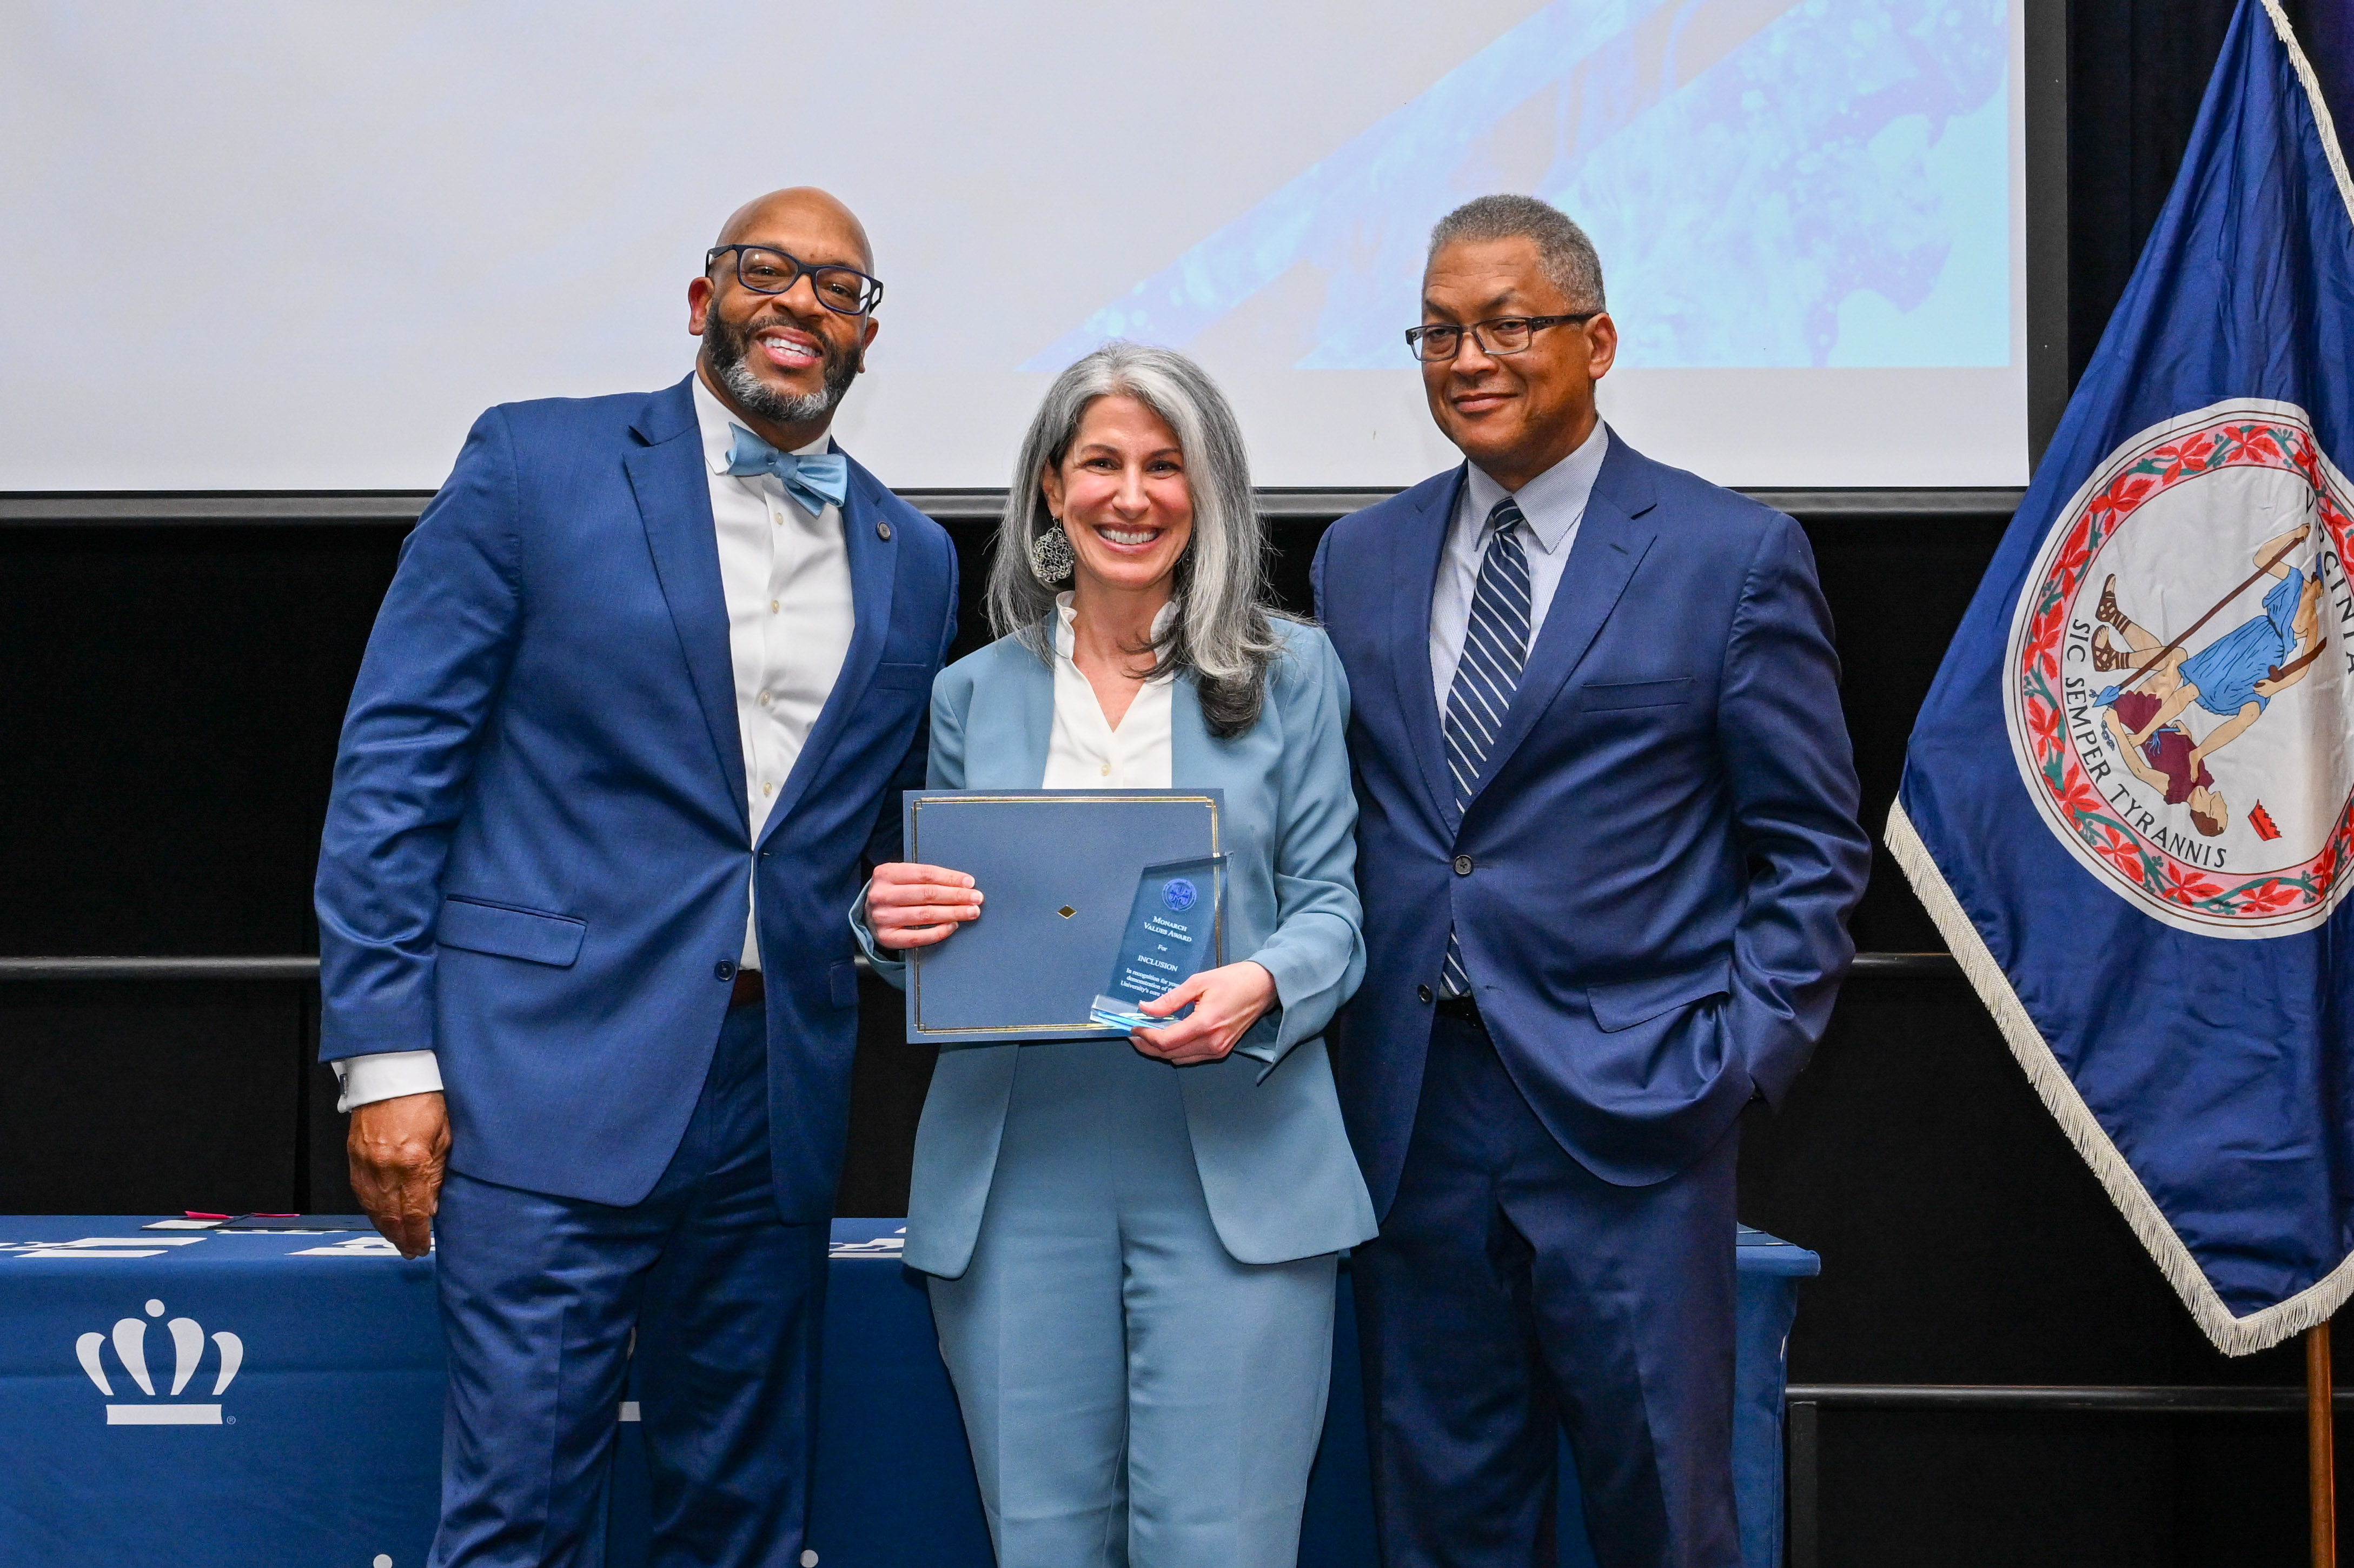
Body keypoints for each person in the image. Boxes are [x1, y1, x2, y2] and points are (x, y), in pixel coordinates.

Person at [313, 187, 958, 1567]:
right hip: (540, 1081)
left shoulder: (915, 556)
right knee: (520, 1516)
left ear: (864, 336)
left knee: (741, 1518)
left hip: (773, 1100)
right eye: (767, 270)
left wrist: (879, 914)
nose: (802, 302)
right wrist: (385, 1058)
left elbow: (852, 841)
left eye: (839, 289)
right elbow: (394, 771)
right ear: (701, 299)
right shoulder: (535, 464)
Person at [1312, 195, 1871, 1567]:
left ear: (1597, 341)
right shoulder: (1355, 558)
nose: (1468, 359)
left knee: (1660, 1516)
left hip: (1634, 1115)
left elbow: (1809, 847)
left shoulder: (1729, 555)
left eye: (1506, 325)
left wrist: (1731, 1063)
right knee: (1439, 1519)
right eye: (1438, 332)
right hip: (1410, 1114)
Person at [856, 341, 1377, 1568]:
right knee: (1040, 1544)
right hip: (1015, 1169)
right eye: (1100, 463)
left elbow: (1332, 912)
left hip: (1238, 1159)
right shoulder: (972, 692)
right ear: (1051, 487)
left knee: (1223, 1546)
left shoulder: (1291, 670)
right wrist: (882, 928)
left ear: (1207, 491)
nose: (1130, 496)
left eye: (1164, 466)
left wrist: (1262, 982)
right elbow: (944, 927)